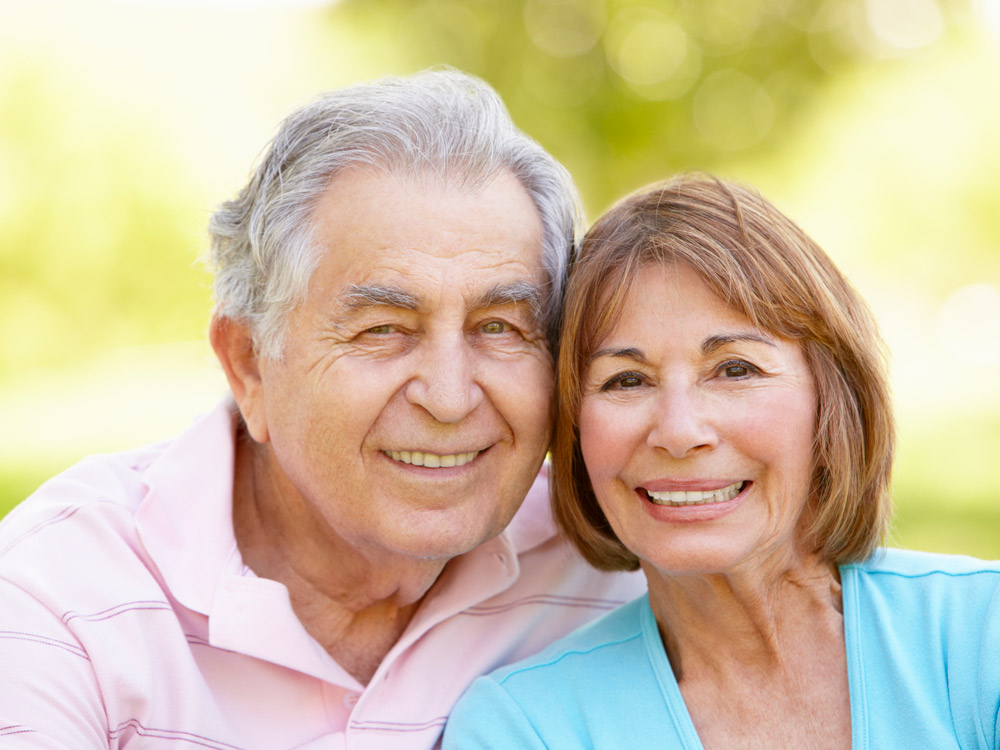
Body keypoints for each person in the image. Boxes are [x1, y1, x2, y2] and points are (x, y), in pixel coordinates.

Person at [0, 70, 644, 749]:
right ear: (248, 362)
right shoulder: (57, 597)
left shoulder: (613, 564)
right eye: (382, 330)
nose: (450, 397)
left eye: (500, 327)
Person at [444, 176, 1000, 749]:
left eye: (735, 369)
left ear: (830, 395)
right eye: (626, 380)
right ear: (574, 431)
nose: (680, 432)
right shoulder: (524, 728)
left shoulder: (981, 637)